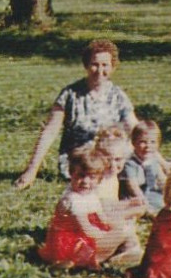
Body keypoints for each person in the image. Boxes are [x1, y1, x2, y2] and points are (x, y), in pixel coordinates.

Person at [15, 39, 137, 189]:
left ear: (112, 67)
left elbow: (137, 130)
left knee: (133, 157)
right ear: (86, 65)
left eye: (105, 65)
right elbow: (50, 131)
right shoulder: (70, 94)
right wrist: (31, 170)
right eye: (94, 64)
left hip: (110, 156)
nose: (99, 71)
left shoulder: (118, 95)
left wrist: (158, 160)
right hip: (80, 160)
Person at [37, 142, 143, 270]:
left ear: (99, 179)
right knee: (123, 231)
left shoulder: (89, 194)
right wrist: (108, 235)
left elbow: (102, 217)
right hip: (72, 244)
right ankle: (91, 261)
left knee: (120, 225)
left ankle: (121, 251)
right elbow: (87, 229)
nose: (86, 182)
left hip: (81, 238)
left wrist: (113, 225)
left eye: (92, 177)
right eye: (81, 176)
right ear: (71, 174)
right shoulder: (74, 199)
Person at [121, 119, 168, 214]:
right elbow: (132, 185)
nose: (148, 146)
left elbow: (161, 178)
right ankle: (150, 212)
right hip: (134, 195)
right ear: (133, 143)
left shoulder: (153, 160)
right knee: (143, 206)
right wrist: (142, 199)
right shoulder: (130, 163)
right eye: (143, 142)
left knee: (163, 201)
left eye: (153, 142)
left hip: (150, 193)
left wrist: (168, 191)